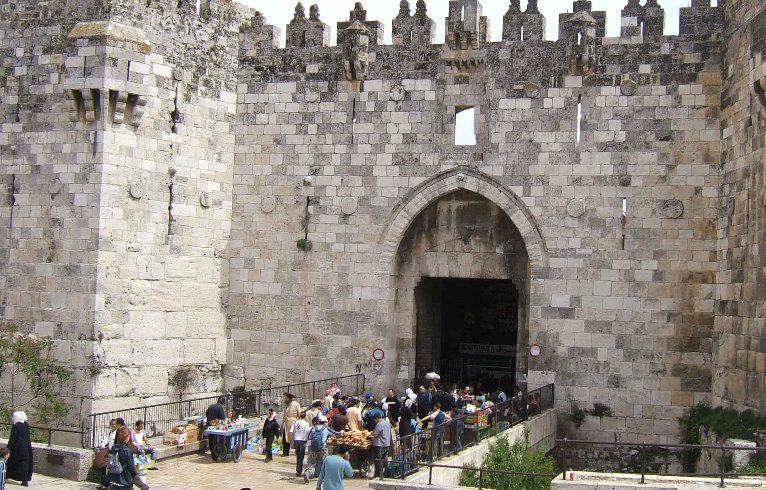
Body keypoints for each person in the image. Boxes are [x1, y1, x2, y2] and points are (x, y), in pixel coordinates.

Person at [303, 416, 340, 482]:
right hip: (323, 449)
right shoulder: (326, 429)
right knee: (324, 463)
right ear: (325, 422)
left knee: (311, 462)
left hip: (313, 448)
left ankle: (307, 473)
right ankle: (323, 478)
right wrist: (341, 432)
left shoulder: (313, 428)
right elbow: (336, 434)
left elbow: (310, 437)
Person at [6, 411, 32, 487]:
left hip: (17, 449)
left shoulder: (15, 426)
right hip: (26, 447)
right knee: (24, 465)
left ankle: (7, 475)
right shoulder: (26, 425)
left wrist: (8, 448)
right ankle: (24, 480)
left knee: (11, 462)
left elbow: (12, 438)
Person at [290, 411, 311, 477]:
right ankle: (299, 471)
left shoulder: (296, 422)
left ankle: (298, 470)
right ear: (305, 416)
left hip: (296, 440)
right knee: (301, 457)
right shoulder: (306, 423)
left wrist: (292, 439)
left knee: (297, 456)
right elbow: (307, 432)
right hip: (302, 440)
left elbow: (291, 431)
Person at [372, 412, 391, 479]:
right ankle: (387, 472)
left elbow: (375, 434)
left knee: (378, 460)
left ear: (377, 418)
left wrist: (372, 434)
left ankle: (377, 474)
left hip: (379, 444)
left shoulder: (379, 425)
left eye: (375, 420)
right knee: (385, 459)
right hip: (386, 444)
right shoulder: (387, 423)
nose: (375, 422)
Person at [282, 392, 301, 457]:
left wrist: (298, 422)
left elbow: (299, 413)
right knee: (285, 438)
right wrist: (282, 424)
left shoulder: (295, 404)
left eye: (286, 398)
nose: (285, 399)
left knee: (294, 438)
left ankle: (297, 452)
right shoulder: (286, 405)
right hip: (286, 423)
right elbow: (284, 414)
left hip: (293, 422)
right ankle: (285, 452)